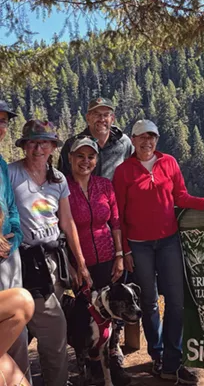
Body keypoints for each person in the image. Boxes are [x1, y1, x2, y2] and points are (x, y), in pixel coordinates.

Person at [113, 119, 204, 385]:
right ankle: (158, 356)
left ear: (157, 139)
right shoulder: (124, 171)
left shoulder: (169, 163)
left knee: (176, 302)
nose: (147, 142)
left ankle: (173, 360)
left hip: (168, 241)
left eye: (151, 137)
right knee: (149, 303)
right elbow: (118, 214)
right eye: (142, 137)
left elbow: (181, 197)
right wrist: (126, 250)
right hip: (138, 245)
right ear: (133, 140)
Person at [9, 120, 92, 386]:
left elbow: (67, 223)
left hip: (54, 262)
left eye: (44, 142)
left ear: (53, 147)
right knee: (53, 329)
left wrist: (80, 263)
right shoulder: (11, 174)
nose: (38, 148)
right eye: (33, 142)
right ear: (24, 146)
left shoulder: (58, 180)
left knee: (34, 329)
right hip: (24, 261)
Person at [66, 135, 131, 385]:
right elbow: (62, 229)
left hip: (107, 258)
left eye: (90, 157)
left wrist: (119, 256)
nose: (85, 161)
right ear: (70, 158)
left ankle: (111, 355)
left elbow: (115, 222)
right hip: (80, 261)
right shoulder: (63, 187)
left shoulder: (104, 185)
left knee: (110, 311)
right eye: (80, 156)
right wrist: (73, 265)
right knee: (85, 314)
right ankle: (89, 363)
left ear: (96, 160)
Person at [0, 100, 29, 380]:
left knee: (17, 328)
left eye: (3, 121)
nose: (0, 127)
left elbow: (10, 208)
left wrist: (16, 236)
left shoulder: (0, 164)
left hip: (10, 255)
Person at [59, 97, 134, 180]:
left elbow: (133, 172)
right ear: (88, 118)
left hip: (114, 193)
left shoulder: (124, 143)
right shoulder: (72, 144)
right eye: (96, 114)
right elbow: (62, 179)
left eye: (106, 115)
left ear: (112, 119)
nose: (101, 119)